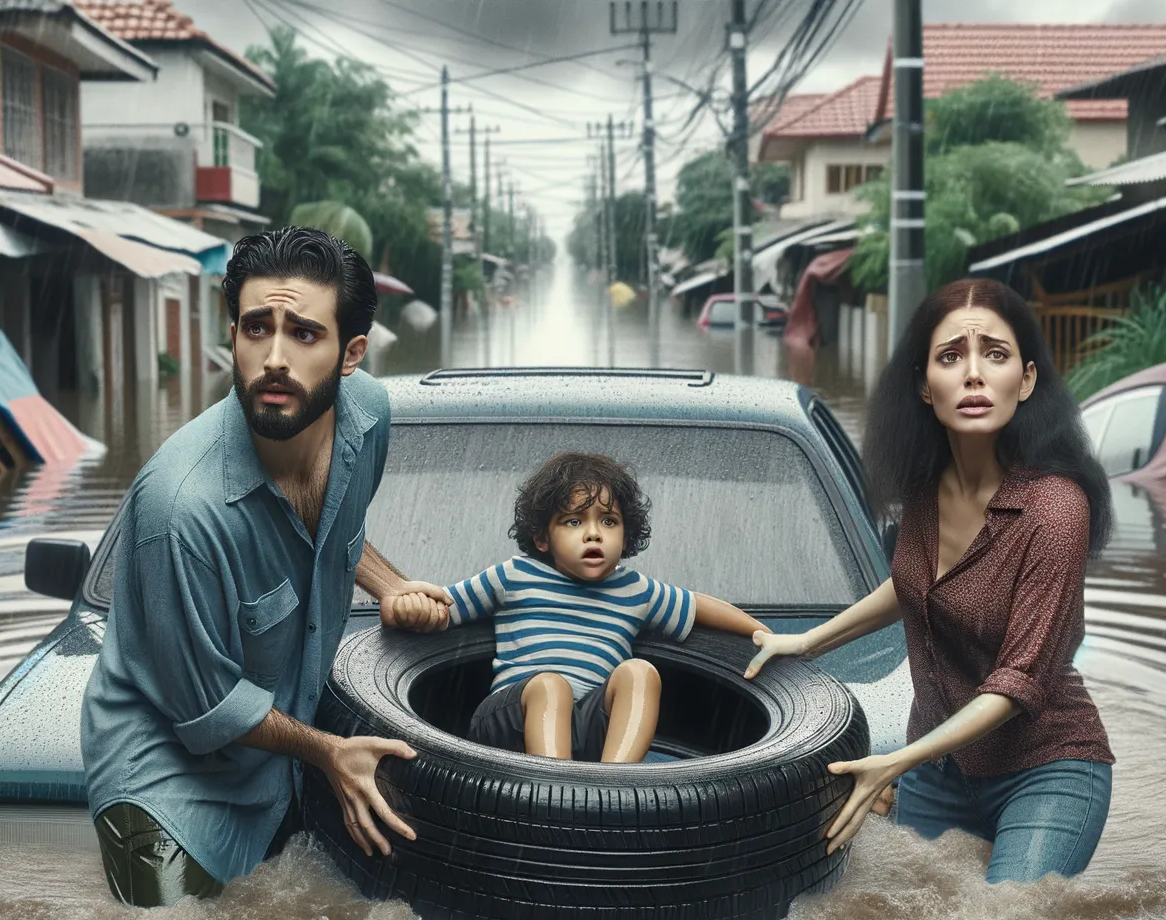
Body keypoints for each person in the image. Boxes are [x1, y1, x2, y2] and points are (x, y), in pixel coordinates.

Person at [80, 227, 450, 907]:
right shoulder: (181, 510)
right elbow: (210, 709)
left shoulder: (368, 417)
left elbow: (331, 529)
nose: (274, 358)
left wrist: (389, 584)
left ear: (352, 353)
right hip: (170, 787)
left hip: (286, 751)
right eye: (257, 328)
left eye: (304, 334)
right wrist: (328, 752)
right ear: (232, 337)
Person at [744, 277, 1115, 884]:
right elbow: (913, 584)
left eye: (995, 354)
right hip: (939, 773)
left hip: (1046, 769)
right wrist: (806, 642)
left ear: (1025, 380)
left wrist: (895, 762)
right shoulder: (924, 491)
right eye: (951, 357)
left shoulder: (1055, 510)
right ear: (924, 384)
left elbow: (1018, 681)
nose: (974, 375)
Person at [391, 452, 766, 762]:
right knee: (550, 686)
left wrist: (765, 635)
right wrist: (402, 607)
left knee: (640, 672)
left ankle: (613, 788)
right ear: (542, 537)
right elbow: (442, 608)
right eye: (573, 521)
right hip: (508, 725)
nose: (593, 533)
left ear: (626, 537)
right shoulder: (513, 576)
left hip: (584, 732)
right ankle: (556, 794)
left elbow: (699, 606)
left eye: (609, 521)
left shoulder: (634, 590)